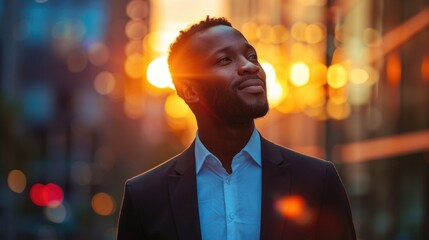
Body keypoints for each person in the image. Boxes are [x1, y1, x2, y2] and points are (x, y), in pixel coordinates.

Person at [117, 17, 356, 240]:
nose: (250, 67)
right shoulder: (144, 196)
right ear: (190, 90)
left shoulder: (317, 180)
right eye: (224, 60)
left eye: (251, 56)